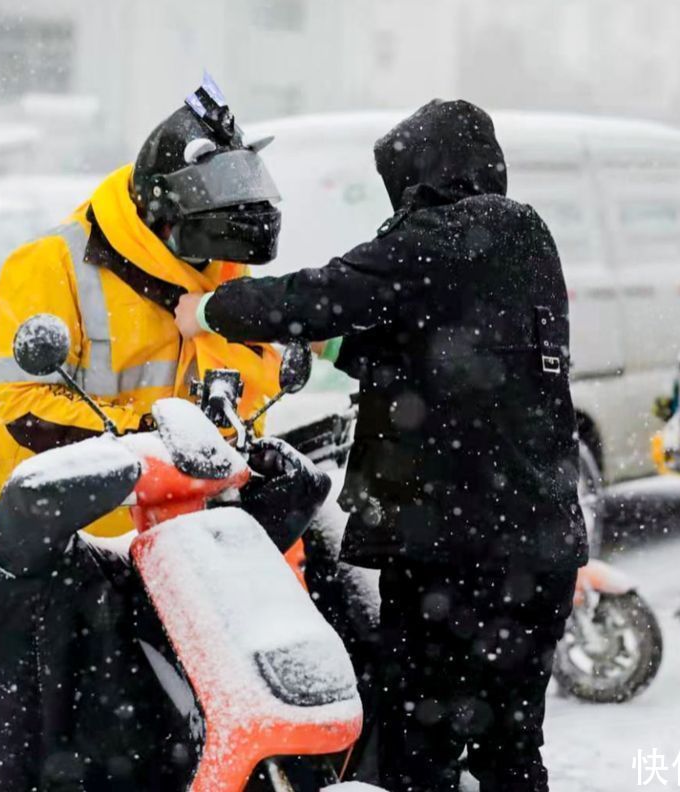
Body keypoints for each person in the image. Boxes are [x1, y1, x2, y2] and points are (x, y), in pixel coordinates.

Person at [175, 99, 589, 792]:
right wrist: (332, 344)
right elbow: (439, 350)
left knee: (417, 746)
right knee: (510, 747)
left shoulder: (445, 236)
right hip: (538, 550)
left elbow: (325, 293)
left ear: (425, 173)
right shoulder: (522, 238)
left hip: (455, 555)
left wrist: (212, 311)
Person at [0, 75, 284, 533]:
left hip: (191, 535)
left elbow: (240, 394)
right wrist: (151, 435)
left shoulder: (223, 268)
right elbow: (24, 408)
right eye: (200, 237)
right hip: (70, 541)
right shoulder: (51, 264)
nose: (213, 257)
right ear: (161, 214)